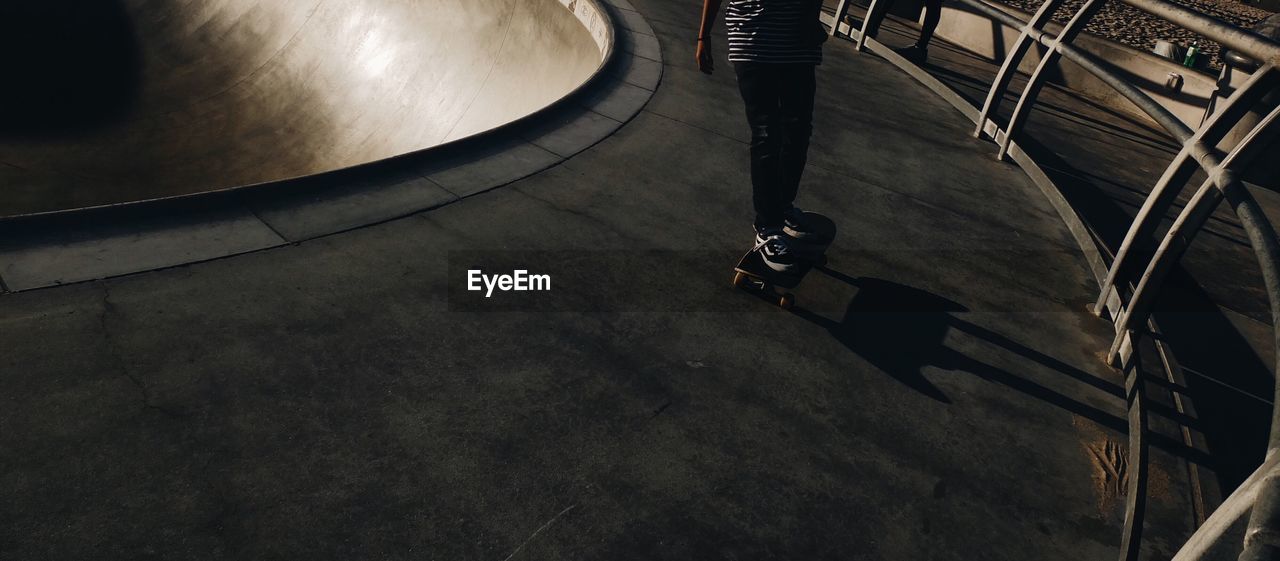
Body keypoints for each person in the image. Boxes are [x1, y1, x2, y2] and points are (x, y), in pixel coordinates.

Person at [696, 0, 827, 273]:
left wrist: (812, 16)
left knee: (799, 131)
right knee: (768, 133)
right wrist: (703, 35)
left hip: (799, 41)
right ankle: (768, 226)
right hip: (753, 37)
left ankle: (782, 206)